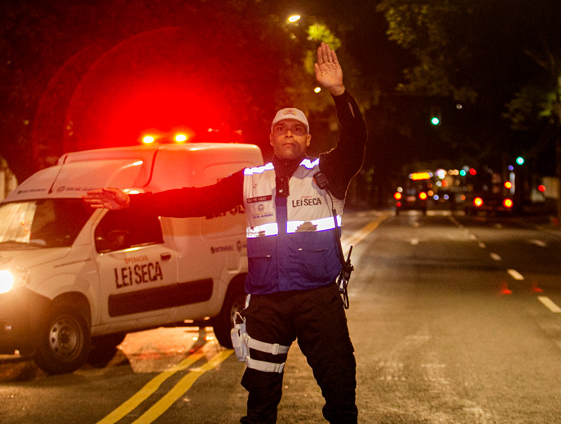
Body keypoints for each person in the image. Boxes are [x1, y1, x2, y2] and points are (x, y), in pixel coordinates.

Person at [84, 42, 365, 424]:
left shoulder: (327, 172)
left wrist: (339, 93)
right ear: (270, 138)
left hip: (318, 299)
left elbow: (355, 141)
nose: (289, 135)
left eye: (297, 130)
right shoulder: (250, 179)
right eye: (281, 129)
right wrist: (132, 201)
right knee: (260, 403)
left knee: (340, 396)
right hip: (267, 304)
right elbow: (195, 199)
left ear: (307, 140)